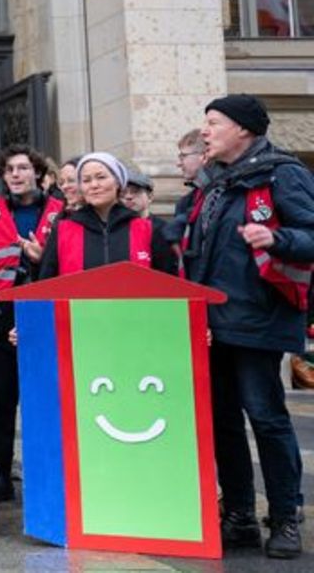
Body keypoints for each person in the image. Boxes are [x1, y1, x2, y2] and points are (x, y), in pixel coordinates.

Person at [182, 95, 314, 559]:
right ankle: (238, 515)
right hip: (212, 324)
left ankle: (284, 516)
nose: (205, 131)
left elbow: (311, 234)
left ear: (244, 129)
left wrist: (276, 238)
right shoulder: (211, 184)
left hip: (258, 322)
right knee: (222, 423)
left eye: (213, 122)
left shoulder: (282, 173)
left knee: (266, 418)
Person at [0, 143, 62, 503]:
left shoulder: (61, 212)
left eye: (23, 168)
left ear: (37, 173)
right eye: (10, 170)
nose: (16, 175)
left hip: (43, 317)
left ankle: (45, 472)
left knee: (43, 400)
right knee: (0, 401)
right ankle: (0, 472)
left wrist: (39, 262)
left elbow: (64, 265)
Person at [37, 153, 177, 279]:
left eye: (101, 177)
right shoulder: (63, 230)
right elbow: (45, 286)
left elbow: (169, 285)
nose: (94, 185)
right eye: (86, 180)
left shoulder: (147, 229)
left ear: (117, 182)